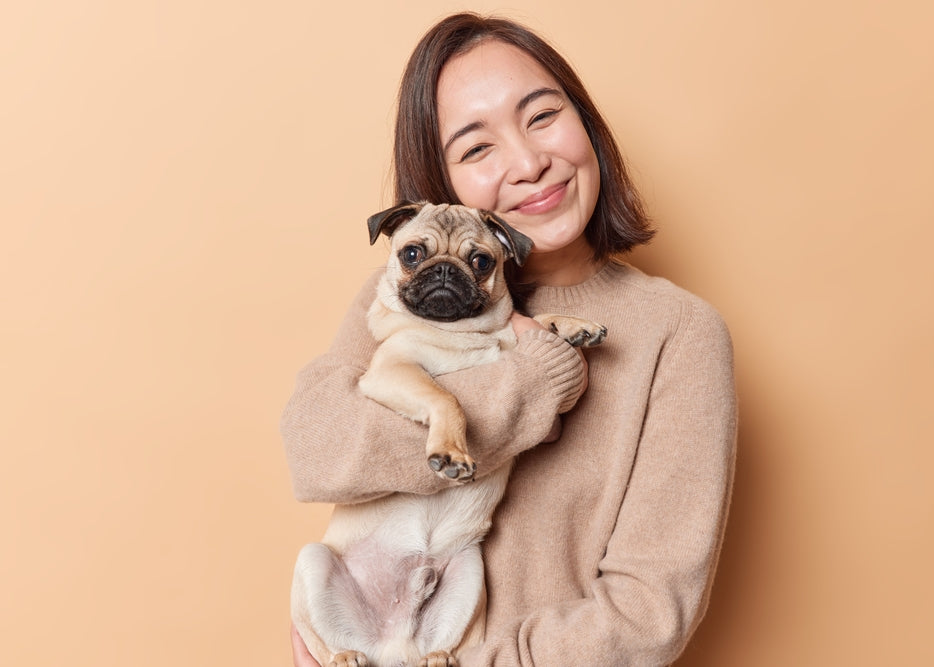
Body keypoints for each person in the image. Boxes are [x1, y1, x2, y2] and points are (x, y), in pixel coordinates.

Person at [282, 12, 737, 667]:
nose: (528, 162)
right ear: (444, 185)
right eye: (476, 147)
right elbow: (314, 451)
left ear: (588, 123)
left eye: (543, 115)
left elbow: (650, 614)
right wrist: (522, 381)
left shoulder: (677, 334)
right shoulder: (398, 291)